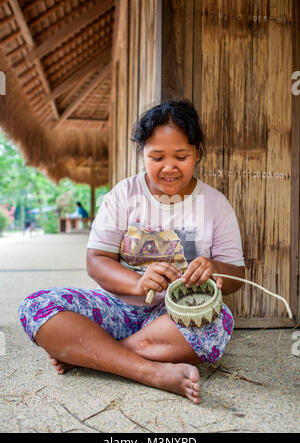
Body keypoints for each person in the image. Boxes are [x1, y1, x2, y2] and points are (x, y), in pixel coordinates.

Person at [18, 99, 245, 404]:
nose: (169, 167)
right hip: (117, 309)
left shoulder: (215, 204)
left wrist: (212, 268)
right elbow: (96, 260)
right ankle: (150, 371)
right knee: (37, 307)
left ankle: (93, 354)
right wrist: (137, 284)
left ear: (197, 154)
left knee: (219, 321)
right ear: (142, 155)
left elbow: (236, 276)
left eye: (181, 156)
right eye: (156, 157)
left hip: (176, 317)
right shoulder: (124, 195)